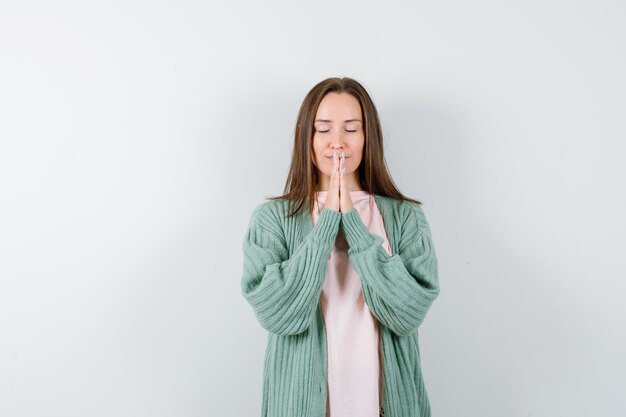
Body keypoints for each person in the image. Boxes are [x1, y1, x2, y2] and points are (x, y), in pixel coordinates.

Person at [241, 77, 440, 417]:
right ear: (307, 137)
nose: (337, 142)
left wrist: (355, 225)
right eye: (323, 129)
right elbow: (277, 313)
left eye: (351, 129)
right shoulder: (272, 218)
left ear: (367, 138)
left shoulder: (406, 217)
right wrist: (325, 227)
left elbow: (408, 314)